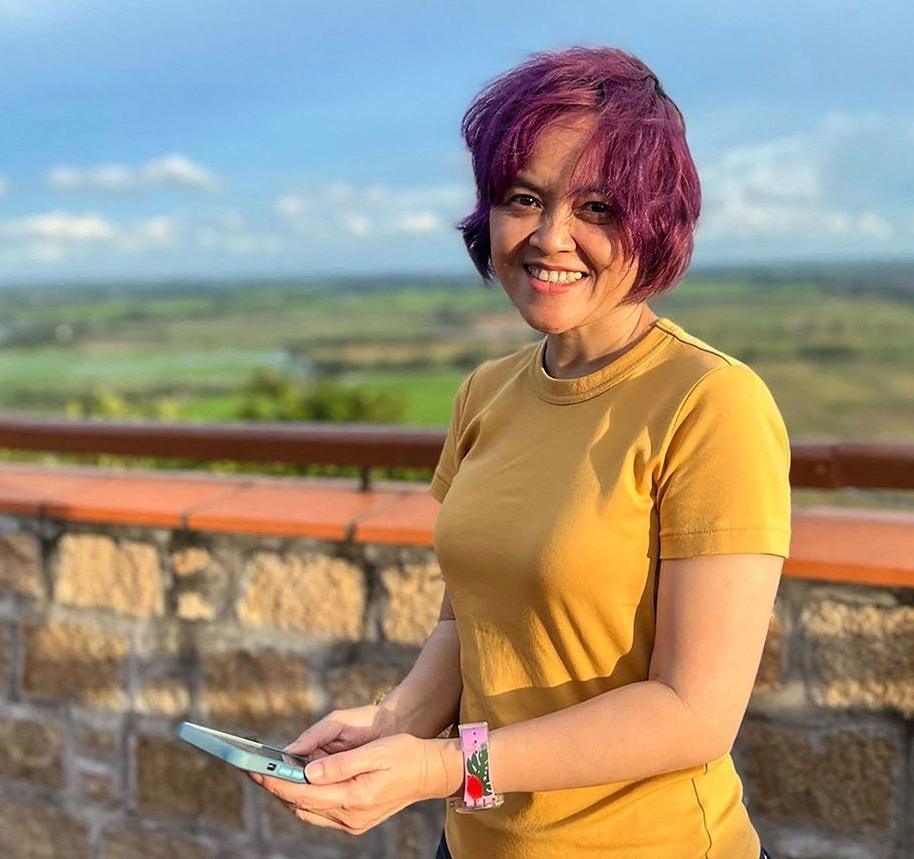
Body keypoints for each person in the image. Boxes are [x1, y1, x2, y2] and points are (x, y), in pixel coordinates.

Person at [252, 45, 789, 859]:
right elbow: (469, 618)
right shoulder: (486, 392)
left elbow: (693, 711)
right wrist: (394, 722)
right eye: (524, 198)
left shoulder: (711, 402)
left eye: (598, 207)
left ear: (659, 220)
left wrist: (441, 765)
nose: (550, 237)